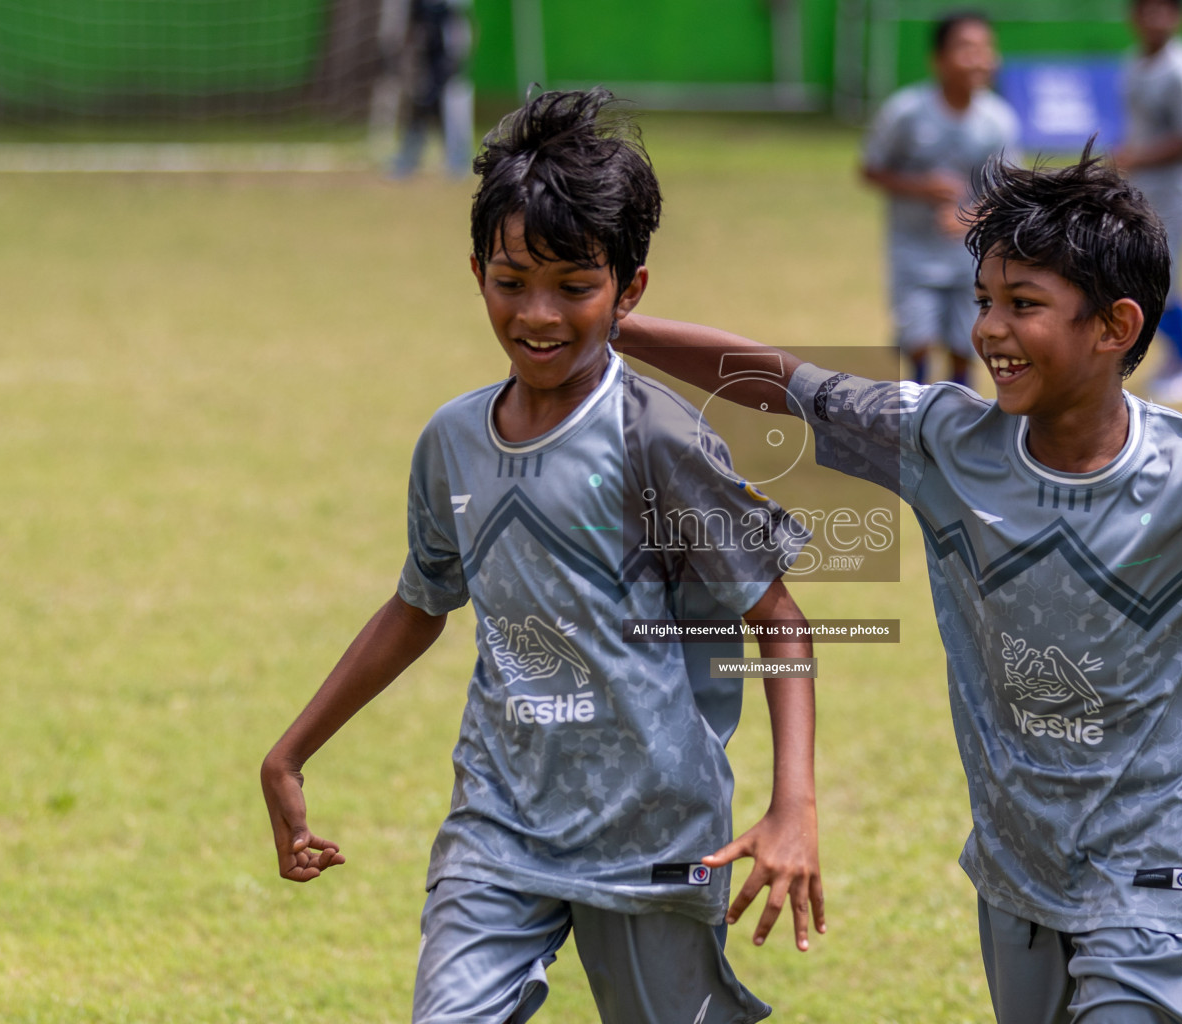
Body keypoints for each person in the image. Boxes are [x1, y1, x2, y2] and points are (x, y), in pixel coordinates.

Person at [615, 146, 1182, 1023]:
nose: (989, 332)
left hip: (1152, 880)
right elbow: (781, 383)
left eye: (1023, 305)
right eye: (983, 301)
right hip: (1016, 872)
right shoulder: (942, 442)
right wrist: (613, 330)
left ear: (1114, 327)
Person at [260, 89, 825, 1024]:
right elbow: (420, 601)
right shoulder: (451, 440)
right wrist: (291, 751)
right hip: (500, 821)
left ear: (629, 290)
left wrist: (793, 803)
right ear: (476, 270)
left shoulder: (661, 441)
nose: (538, 314)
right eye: (511, 280)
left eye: (575, 285)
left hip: (653, 829)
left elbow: (779, 619)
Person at [861, 9, 1020, 386]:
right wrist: (920, 186)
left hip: (971, 256)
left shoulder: (998, 120)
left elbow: (1008, 190)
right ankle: (916, 414)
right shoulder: (907, 113)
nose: (979, 58)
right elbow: (870, 169)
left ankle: (960, 417)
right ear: (938, 59)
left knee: (968, 341)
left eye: (986, 48)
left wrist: (970, 217)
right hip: (912, 251)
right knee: (917, 341)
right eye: (966, 48)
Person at [1115, 0, 1182, 405]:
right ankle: (1178, 360)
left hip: (1177, 192)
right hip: (1147, 189)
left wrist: (1138, 157)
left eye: (1165, 10)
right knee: (1145, 273)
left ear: (1179, 17)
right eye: (1147, 9)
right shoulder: (1136, 62)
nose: (1155, 19)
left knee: (1163, 277)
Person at [386, 0, 475, 178]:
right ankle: (407, 160)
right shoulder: (417, 9)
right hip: (425, 55)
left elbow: (460, 22)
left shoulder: (453, 12)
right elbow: (410, 23)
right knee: (420, 104)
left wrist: (454, 59)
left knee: (453, 103)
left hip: (449, 56)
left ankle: (458, 163)